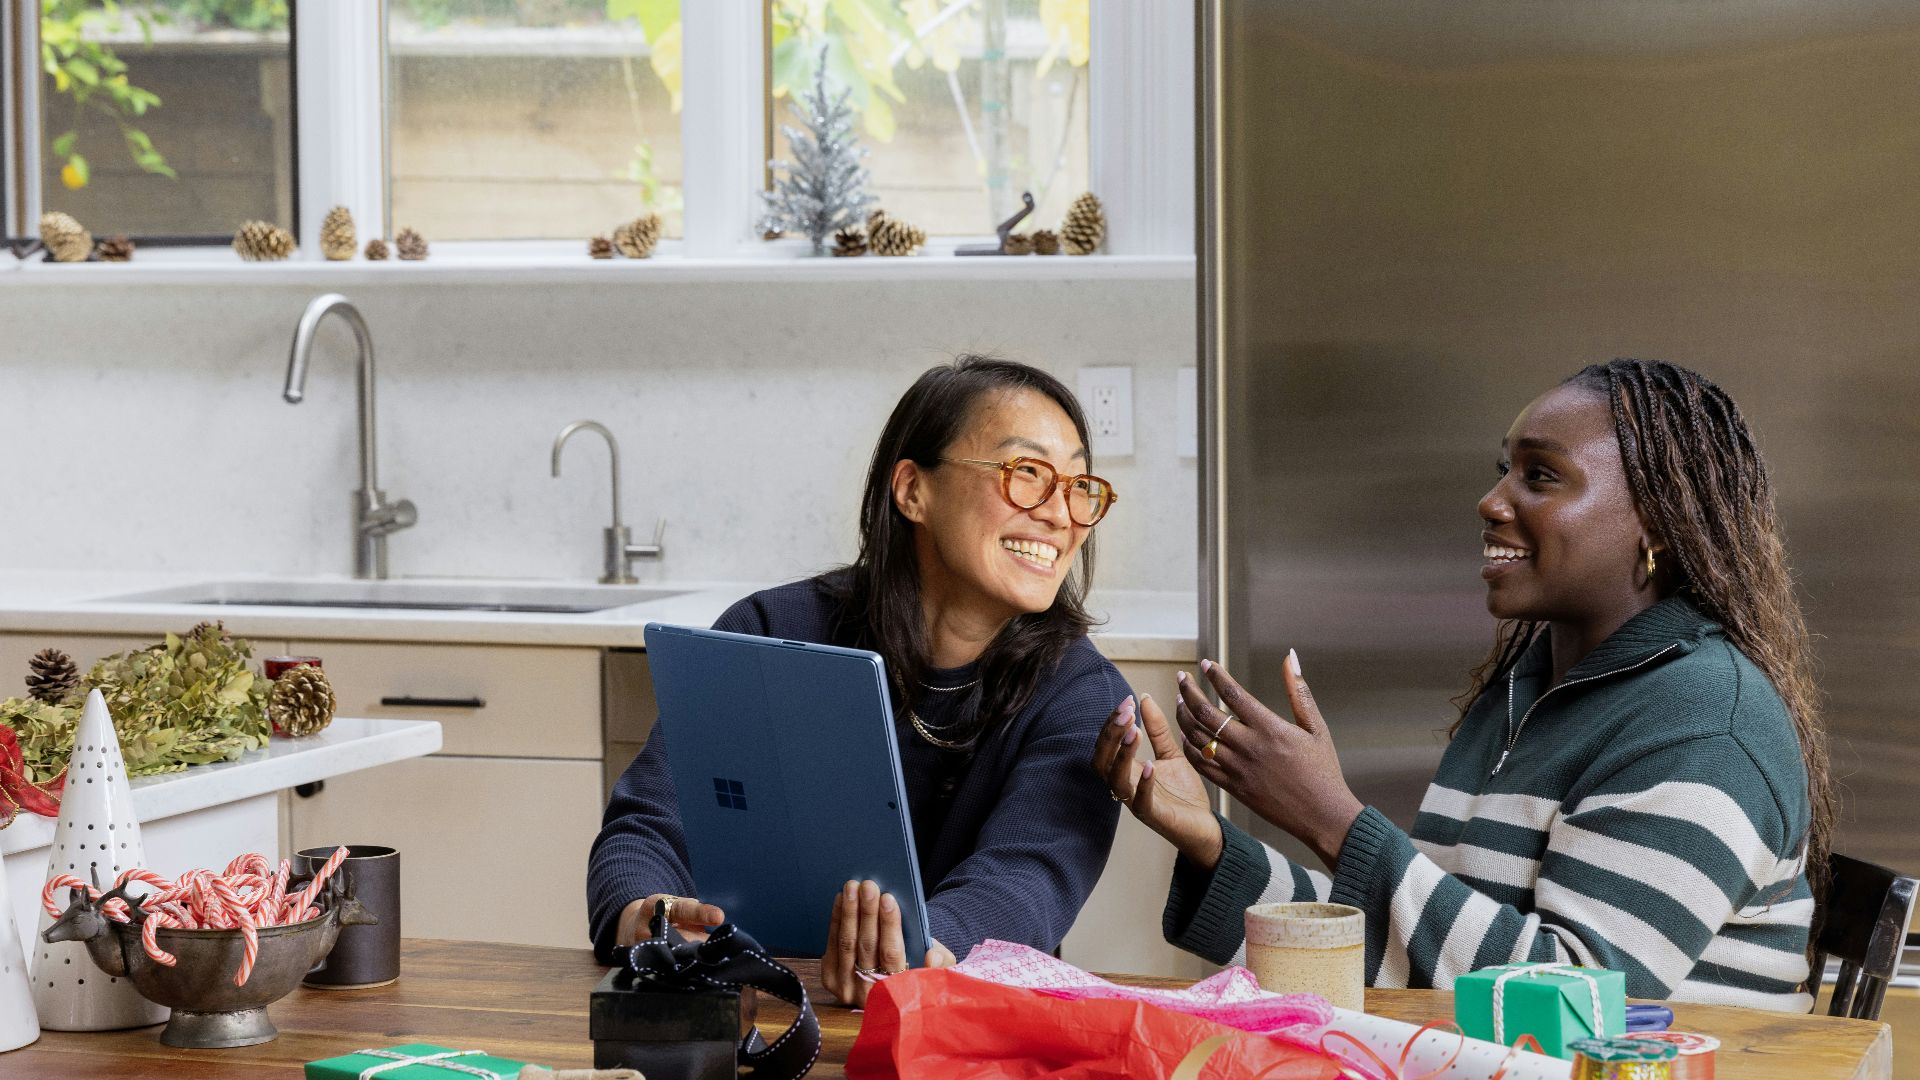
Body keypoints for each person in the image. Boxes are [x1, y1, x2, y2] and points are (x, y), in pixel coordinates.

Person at [1095, 358, 1831, 1010]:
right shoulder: (1528, 689)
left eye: (1539, 475)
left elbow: (1579, 1008)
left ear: (1658, 524)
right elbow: (1429, 951)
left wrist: (1331, 818)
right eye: (1503, 469)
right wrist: (1210, 846)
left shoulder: (1704, 721)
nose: (1492, 500)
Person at [591, 356, 1130, 1006]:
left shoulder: (1082, 695)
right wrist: (641, 916)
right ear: (912, 490)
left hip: (954, 1028)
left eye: (1078, 487)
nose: (1059, 514)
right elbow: (652, 823)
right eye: (1028, 474)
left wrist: (921, 951)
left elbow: (1027, 880)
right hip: (755, 1011)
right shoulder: (766, 631)